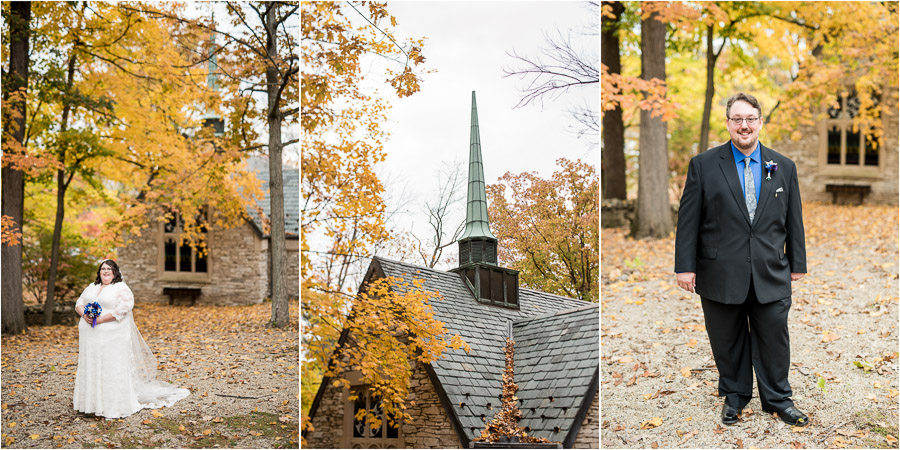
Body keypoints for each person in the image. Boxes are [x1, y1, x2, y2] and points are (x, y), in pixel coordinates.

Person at [674, 93, 808, 427]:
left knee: (774, 338)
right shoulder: (703, 165)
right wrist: (684, 266)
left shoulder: (782, 167)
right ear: (728, 123)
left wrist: (798, 263)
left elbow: (794, 218)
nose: (744, 125)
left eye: (750, 118)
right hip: (719, 271)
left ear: (760, 122)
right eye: (737, 119)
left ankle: (778, 399)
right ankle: (735, 396)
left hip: (770, 270)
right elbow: (688, 220)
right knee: (727, 338)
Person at [73, 260, 189, 418]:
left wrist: (100, 320)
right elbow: (79, 302)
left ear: (115, 272)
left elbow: (124, 308)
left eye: (109, 269)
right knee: (91, 366)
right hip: (90, 338)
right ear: (99, 272)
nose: (105, 271)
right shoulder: (91, 287)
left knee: (108, 367)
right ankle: (90, 404)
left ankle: (111, 406)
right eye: (103, 269)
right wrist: (84, 315)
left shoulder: (121, 288)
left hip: (111, 337)